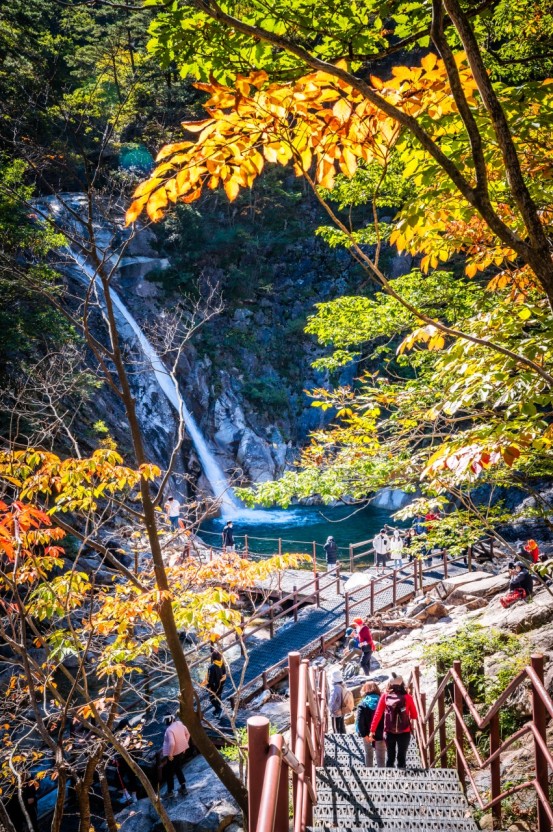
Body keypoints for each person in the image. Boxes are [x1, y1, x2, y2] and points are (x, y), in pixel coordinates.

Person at [368, 674, 418, 769]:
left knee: (390, 756)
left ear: (389, 684)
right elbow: (414, 715)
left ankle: (389, 778)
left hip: (389, 731)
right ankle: (402, 778)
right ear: (402, 683)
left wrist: (372, 730)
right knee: (401, 756)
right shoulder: (408, 697)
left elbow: (378, 714)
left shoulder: (385, 696)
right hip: (405, 731)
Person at [159, 713, 190, 797]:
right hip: (181, 752)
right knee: (178, 769)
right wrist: (184, 746)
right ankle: (183, 788)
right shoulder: (179, 724)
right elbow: (188, 734)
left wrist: (170, 755)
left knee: (169, 773)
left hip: (173, 754)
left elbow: (172, 743)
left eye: (165, 720)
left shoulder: (169, 730)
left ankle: (170, 792)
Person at [356, 681, 386, 767]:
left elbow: (360, 722)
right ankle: (382, 775)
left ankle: (369, 773)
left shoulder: (362, 704)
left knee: (368, 754)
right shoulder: (382, 702)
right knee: (381, 756)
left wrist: (364, 735)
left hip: (367, 734)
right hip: (381, 734)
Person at [329, 668, 354, 734]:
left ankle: (338, 741)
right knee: (342, 726)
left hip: (335, 712)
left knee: (336, 728)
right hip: (343, 709)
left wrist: (330, 710)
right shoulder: (343, 685)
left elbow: (331, 701)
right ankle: (344, 736)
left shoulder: (334, 689)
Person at [205, 649, 227, 718]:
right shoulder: (222, 663)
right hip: (221, 683)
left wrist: (207, 687)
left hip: (214, 685)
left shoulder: (211, 667)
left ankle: (219, 709)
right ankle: (217, 710)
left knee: (211, 698)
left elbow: (209, 679)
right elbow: (224, 673)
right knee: (218, 696)